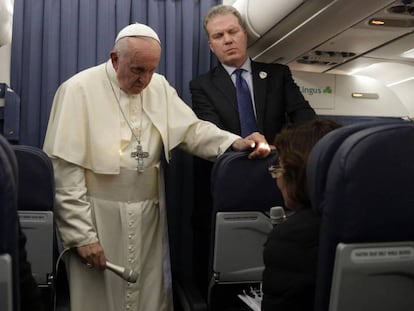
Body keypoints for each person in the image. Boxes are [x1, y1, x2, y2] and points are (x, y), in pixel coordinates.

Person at [42, 23, 270, 311]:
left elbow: (191, 131)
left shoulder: (158, 86)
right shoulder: (77, 90)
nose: (145, 80)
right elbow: (66, 170)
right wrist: (81, 236)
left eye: (151, 70)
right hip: (99, 217)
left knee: (147, 296)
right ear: (115, 59)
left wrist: (234, 142)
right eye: (138, 70)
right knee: (99, 299)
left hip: (149, 215)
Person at [189, 4, 316, 295]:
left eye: (232, 32)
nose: (228, 39)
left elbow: (305, 119)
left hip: (279, 189)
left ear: (244, 35)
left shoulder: (277, 75)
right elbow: (212, 132)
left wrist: (275, 148)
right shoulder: (201, 86)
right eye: (218, 35)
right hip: (227, 192)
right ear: (211, 45)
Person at [262, 119, 342, 311]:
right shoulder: (393, 223)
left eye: (279, 169)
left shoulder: (292, 238)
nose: (277, 179)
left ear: (301, 175)